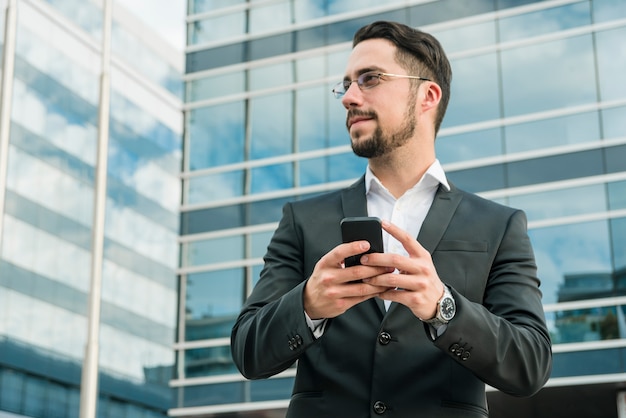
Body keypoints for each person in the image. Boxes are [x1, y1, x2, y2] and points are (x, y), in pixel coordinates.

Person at [230, 20, 552, 418]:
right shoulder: (302, 220)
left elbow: (531, 364)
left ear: (427, 95)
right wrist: (309, 303)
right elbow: (248, 351)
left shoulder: (499, 225)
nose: (349, 97)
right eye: (345, 84)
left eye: (369, 78)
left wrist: (442, 306)